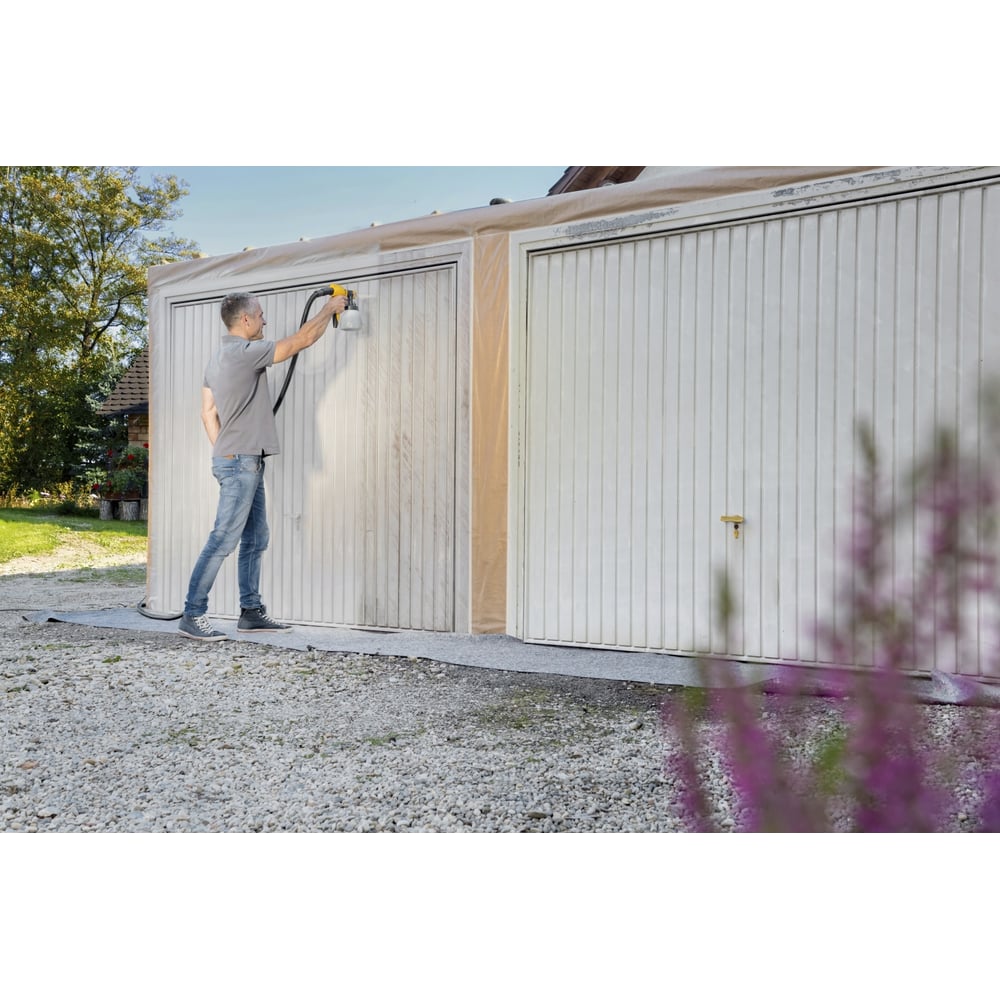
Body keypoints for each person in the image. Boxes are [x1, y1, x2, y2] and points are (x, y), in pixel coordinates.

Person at [178, 289, 346, 641]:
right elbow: (301, 341)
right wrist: (330, 308)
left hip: (241, 458)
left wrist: (225, 450)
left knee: (256, 537)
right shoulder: (244, 352)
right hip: (241, 461)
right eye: (260, 315)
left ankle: (251, 612)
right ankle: (193, 614)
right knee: (223, 538)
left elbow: (207, 413)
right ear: (245, 320)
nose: (265, 321)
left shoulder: (217, 359)